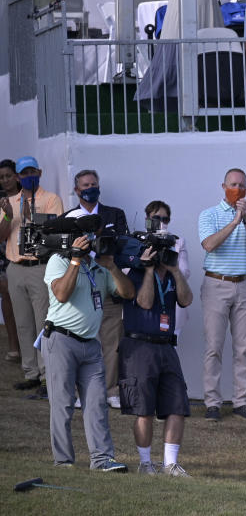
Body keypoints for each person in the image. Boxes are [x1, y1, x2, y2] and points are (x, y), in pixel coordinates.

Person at [43, 230, 135, 471]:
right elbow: (61, 294)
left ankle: (102, 459)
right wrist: (74, 260)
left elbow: (128, 293)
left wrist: (113, 268)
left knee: (97, 403)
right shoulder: (58, 260)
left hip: (91, 344)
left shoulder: (99, 267)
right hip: (61, 340)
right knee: (62, 404)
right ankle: (63, 461)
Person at [119, 224, 193, 477]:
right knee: (144, 408)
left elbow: (186, 300)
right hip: (140, 345)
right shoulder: (136, 273)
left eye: (169, 248)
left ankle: (170, 463)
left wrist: (174, 269)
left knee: (177, 404)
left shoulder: (173, 275)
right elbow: (145, 302)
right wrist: (149, 270)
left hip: (166, 345)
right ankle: (145, 463)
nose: (165, 252)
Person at [198, 168, 246, 422]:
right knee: (214, 347)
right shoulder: (209, 214)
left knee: (243, 348)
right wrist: (234, 220)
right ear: (223, 186)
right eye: (234, 184)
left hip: (244, 285)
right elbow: (209, 244)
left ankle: (241, 402)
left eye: (242, 185)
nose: (238, 189)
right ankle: (212, 402)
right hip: (217, 283)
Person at [63, 169, 129, 409]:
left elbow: (123, 246)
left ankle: (111, 390)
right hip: (81, 288)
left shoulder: (115, 214)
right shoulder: (68, 217)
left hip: (108, 285)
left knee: (111, 342)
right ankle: (82, 393)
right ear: (77, 190)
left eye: (94, 183)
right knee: (83, 341)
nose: (90, 188)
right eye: (85, 185)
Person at [0, 156, 64, 394]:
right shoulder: (8, 201)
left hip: (40, 266)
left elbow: (54, 231)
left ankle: (48, 374)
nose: (28, 176)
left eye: (31, 172)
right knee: (23, 323)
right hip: (16, 267)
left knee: (43, 322)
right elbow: (1, 235)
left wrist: (29, 216)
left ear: (39, 171)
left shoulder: (51, 199)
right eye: (23, 173)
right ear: (18, 177)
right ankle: (31, 372)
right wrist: (8, 216)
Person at [0, 159, 21, 362]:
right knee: (6, 295)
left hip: (25, 252)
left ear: (17, 176)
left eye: (8, 175)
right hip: (3, 252)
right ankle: (14, 345)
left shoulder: (28, 196)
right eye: (1, 177)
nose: (5, 180)